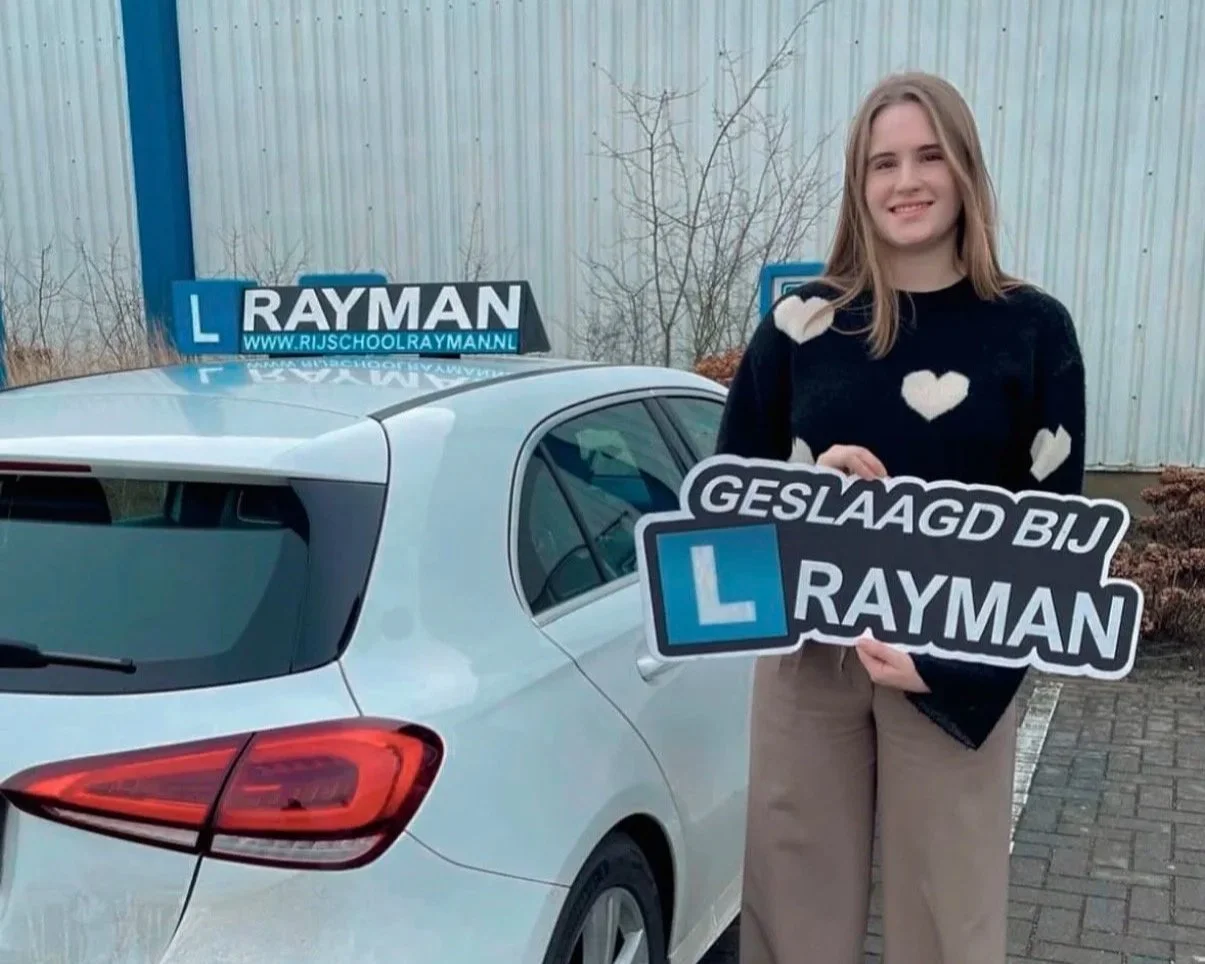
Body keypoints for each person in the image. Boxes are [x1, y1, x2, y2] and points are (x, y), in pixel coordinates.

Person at [716, 71, 1086, 964]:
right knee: (793, 909)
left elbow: (1054, 537)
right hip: (808, 659)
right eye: (882, 162)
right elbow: (722, 511)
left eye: (927, 156)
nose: (904, 181)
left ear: (963, 170)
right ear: (857, 182)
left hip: (954, 658)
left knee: (946, 919)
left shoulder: (1030, 331)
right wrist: (804, 491)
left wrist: (960, 665)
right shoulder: (799, 327)